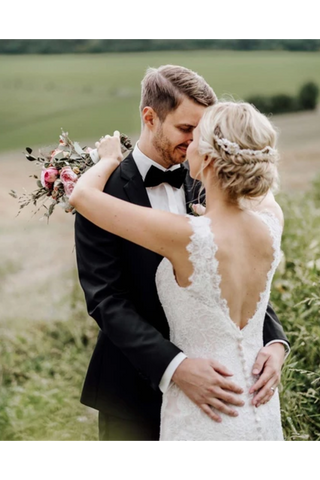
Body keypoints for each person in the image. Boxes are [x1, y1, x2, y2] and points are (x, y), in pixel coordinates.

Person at [73, 65, 290, 444]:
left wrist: (272, 341)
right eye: (186, 130)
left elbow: (242, 273)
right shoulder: (106, 192)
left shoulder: (213, 173)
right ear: (150, 117)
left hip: (228, 396)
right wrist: (175, 367)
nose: (194, 144)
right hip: (133, 392)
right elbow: (106, 299)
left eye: (202, 132)